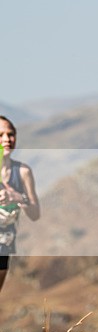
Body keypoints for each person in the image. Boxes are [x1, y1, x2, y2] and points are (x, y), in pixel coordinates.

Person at [0, 116, 41, 292]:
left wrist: (18, 198)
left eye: (11, 134)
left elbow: (35, 213)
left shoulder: (23, 172)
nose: (7, 139)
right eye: (0, 135)